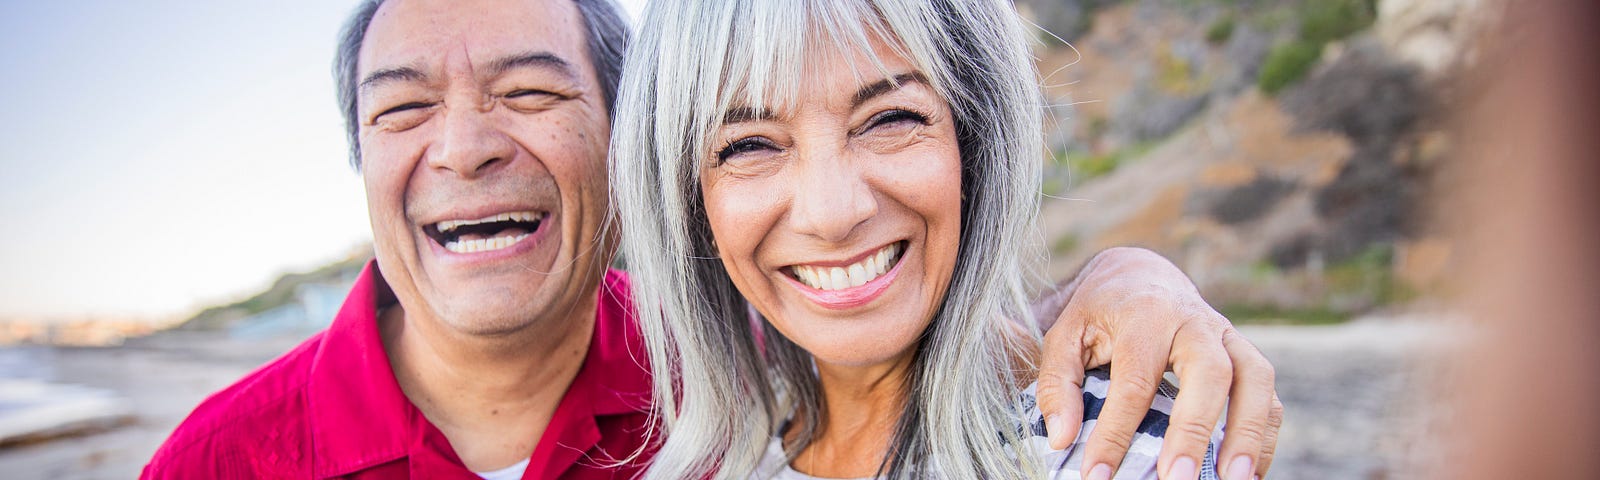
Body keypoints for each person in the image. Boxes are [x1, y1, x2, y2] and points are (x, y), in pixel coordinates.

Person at [141, 0, 1279, 478]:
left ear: (625, 156)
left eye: (530, 93)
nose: (463, 147)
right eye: (400, 109)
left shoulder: (707, 381)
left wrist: (1126, 281)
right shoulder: (211, 462)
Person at [611, 0, 1257, 479]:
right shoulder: (734, 451)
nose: (832, 214)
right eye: (749, 145)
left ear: (973, 145)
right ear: (691, 203)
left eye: (890, 118)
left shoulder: (1112, 448)